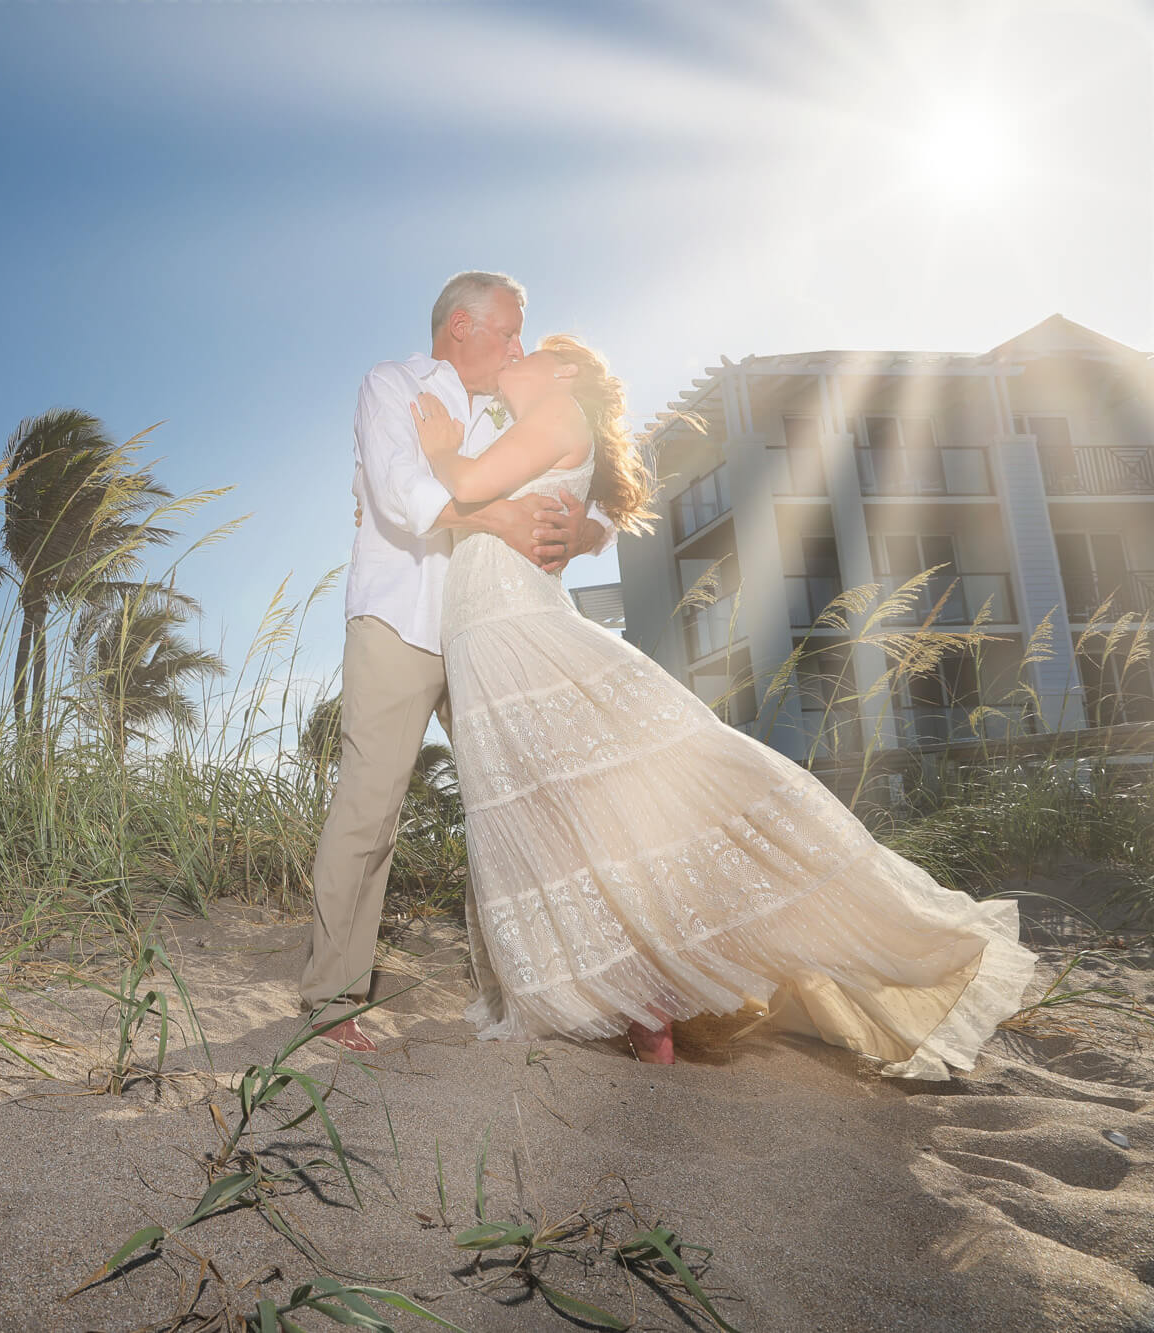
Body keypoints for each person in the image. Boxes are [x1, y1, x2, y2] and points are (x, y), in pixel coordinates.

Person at [413, 332, 1036, 1076]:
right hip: (488, 637)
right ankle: (641, 1004)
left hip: (521, 634)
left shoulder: (553, 415)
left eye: (530, 347)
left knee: (610, 803)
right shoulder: (524, 420)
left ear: (565, 370)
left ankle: (658, 1001)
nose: (512, 354)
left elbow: (473, 484)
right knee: (563, 823)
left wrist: (440, 448)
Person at [299, 271, 617, 1053]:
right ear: (461, 328)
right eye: (508, 331)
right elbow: (400, 490)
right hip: (402, 621)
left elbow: (594, 498)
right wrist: (502, 516)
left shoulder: (517, 404)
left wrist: (577, 532)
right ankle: (332, 995)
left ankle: (552, 992)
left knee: (529, 805)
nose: (519, 346)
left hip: (489, 632)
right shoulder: (393, 384)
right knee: (371, 806)